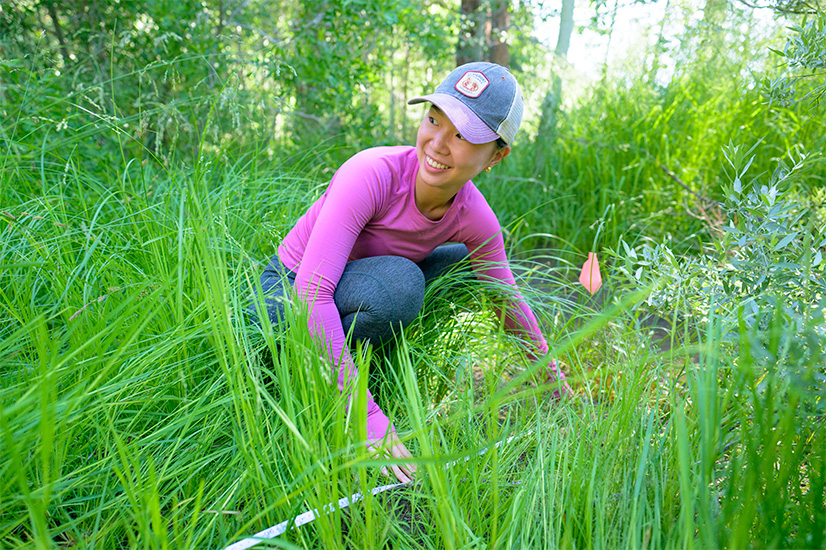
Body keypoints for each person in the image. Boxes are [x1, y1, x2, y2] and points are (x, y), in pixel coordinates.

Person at [250, 62, 571, 483]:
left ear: (497, 155)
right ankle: (303, 372)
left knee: (465, 266)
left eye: (462, 135)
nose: (437, 144)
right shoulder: (371, 173)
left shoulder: (475, 217)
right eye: (433, 120)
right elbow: (311, 292)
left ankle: (362, 362)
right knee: (400, 284)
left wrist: (552, 379)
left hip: (359, 288)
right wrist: (362, 414)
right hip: (286, 292)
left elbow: (505, 298)